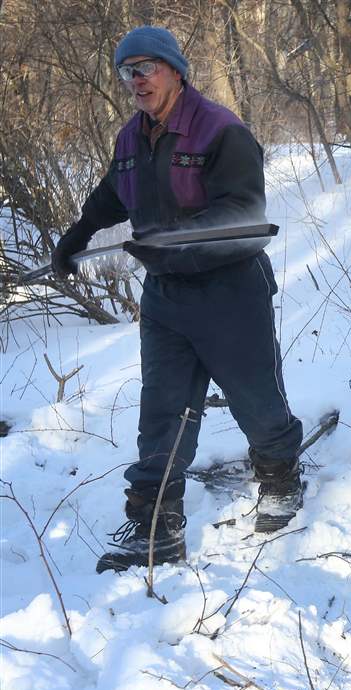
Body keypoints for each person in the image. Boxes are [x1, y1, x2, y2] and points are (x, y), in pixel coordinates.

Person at [50, 26, 304, 573]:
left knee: (255, 397)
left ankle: (280, 477)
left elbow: (242, 212)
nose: (136, 80)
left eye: (146, 67)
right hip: (166, 295)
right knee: (163, 410)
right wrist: (77, 236)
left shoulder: (220, 130)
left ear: (175, 70)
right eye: (127, 71)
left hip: (230, 289)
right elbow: (113, 194)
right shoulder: (131, 138)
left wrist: (172, 240)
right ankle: (157, 525)